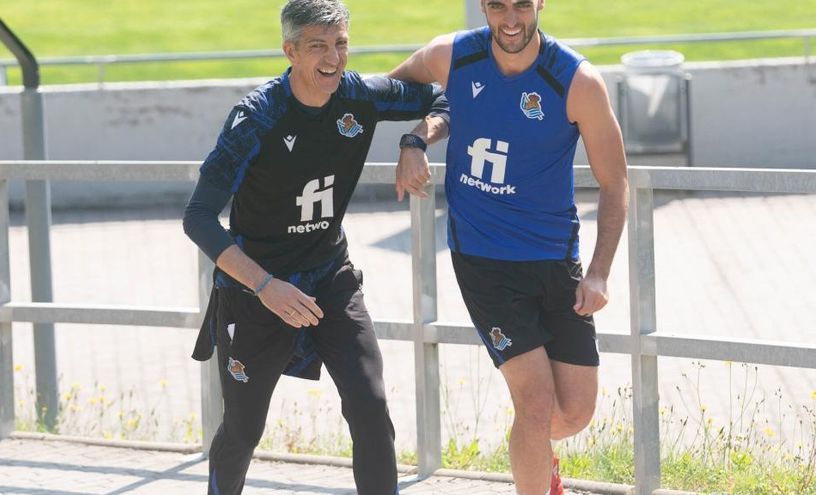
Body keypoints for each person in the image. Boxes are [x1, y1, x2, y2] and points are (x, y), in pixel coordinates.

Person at [182, 1, 445, 494]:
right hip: (258, 292)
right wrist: (264, 285)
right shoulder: (256, 117)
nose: (333, 58)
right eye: (318, 46)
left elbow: (444, 99)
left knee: (370, 407)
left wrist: (414, 142)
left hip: (329, 278)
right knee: (242, 429)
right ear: (291, 51)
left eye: (341, 44)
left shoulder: (361, 96)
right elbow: (198, 218)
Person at [389, 1, 629, 494]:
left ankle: (534, 451)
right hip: (483, 260)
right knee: (536, 401)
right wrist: (414, 140)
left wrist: (600, 272)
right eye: (497, 5)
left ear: (541, 3)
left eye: (522, 3)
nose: (511, 17)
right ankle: (533, 460)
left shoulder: (577, 81)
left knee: (575, 412)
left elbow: (615, 182)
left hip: (555, 259)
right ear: (483, 7)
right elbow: (385, 95)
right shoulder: (449, 56)